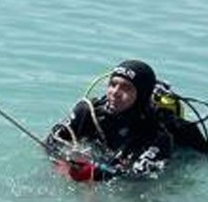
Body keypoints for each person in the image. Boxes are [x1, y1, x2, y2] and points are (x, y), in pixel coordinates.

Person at [46, 59, 182, 182]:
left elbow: (140, 177)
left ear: (142, 95)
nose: (115, 92)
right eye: (113, 84)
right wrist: (66, 159)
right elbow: (51, 141)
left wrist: (97, 171)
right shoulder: (88, 111)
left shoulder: (156, 134)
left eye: (126, 88)